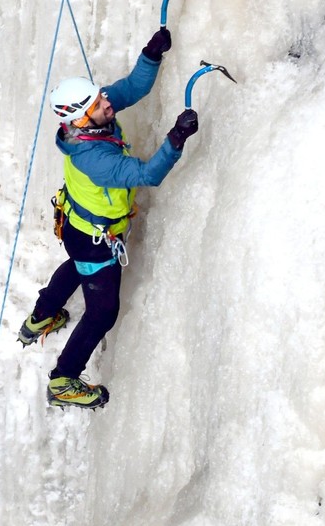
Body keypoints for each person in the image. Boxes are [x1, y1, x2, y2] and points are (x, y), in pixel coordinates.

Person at [18, 28, 199, 410]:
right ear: (81, 118)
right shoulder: (95, 160)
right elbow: (148, 175)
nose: (106, 101)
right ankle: (63, 379)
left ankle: (40, 318)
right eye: (98, 102)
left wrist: (152, 55)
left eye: (100, 95)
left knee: (76, 267)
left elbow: (132, 88)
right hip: (94, 238)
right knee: (103, 312)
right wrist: (176, 141)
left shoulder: (89, 119)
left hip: (77, 225)